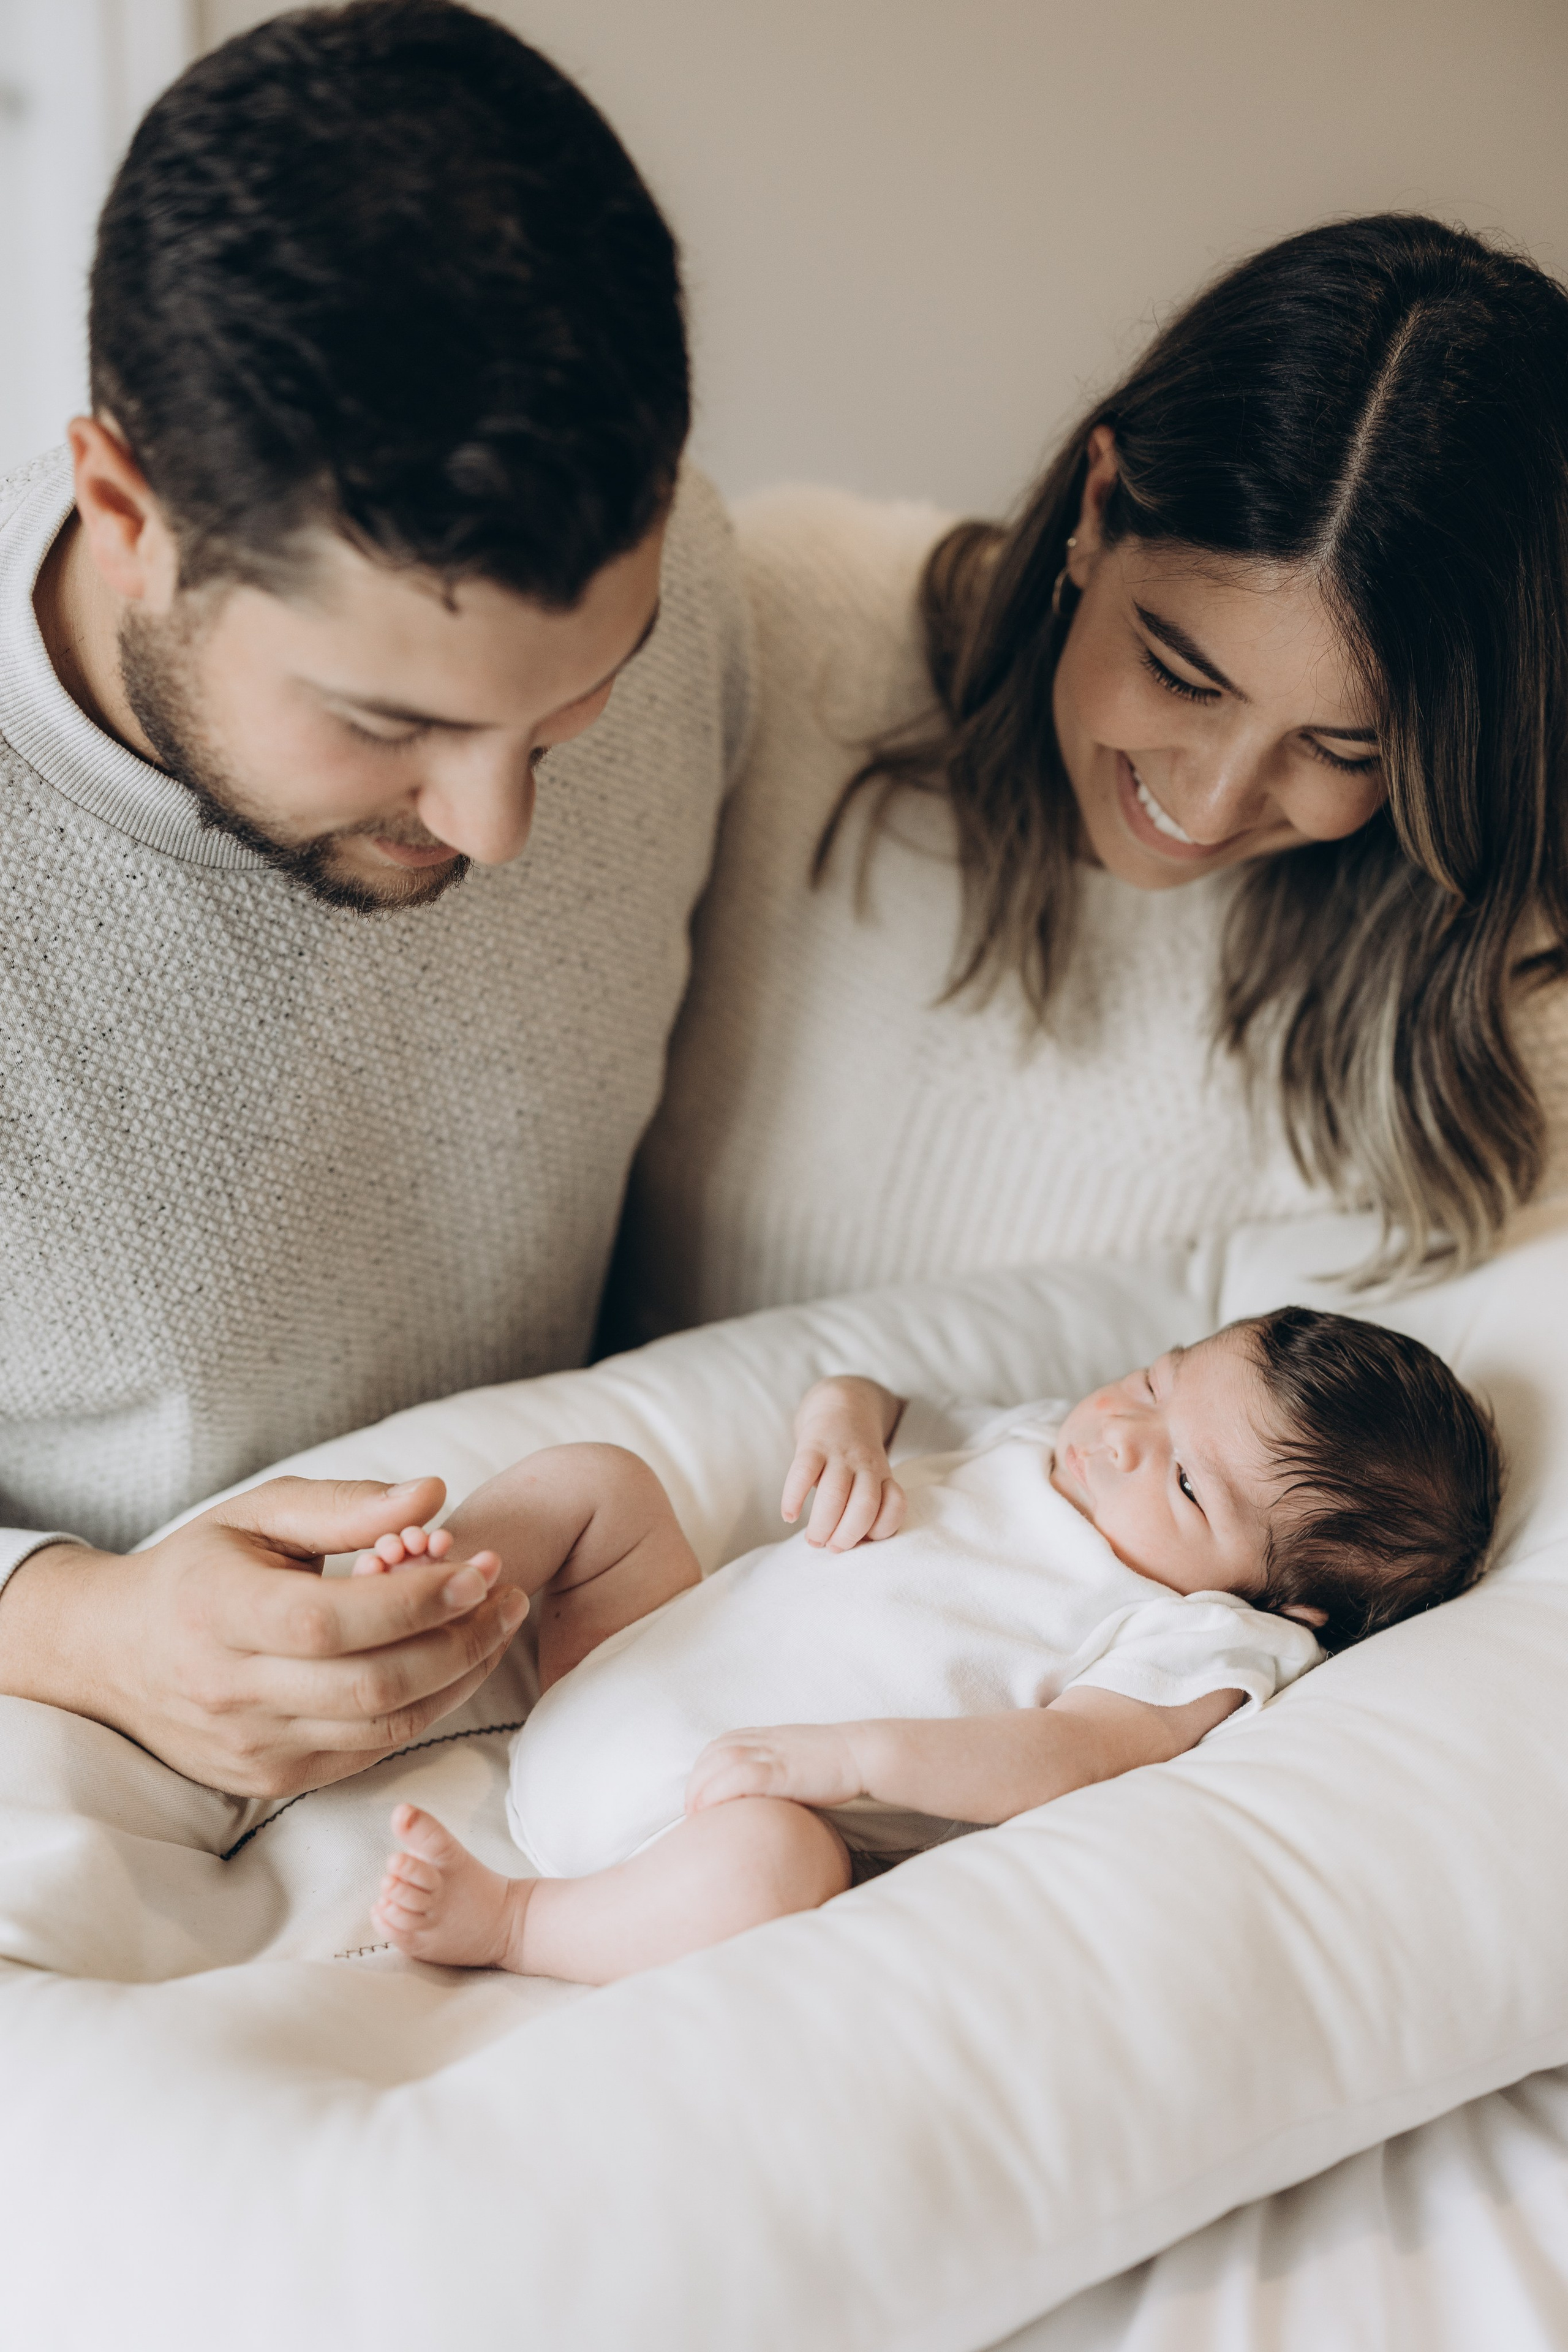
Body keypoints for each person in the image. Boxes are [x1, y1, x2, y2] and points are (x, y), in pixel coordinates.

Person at [0, 0, 753, 1798]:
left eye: (573, 706)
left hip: (586, 1665)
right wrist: (82, 1628)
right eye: (390, 724)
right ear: (131, 510)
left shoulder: (695, 574)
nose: (497, 827)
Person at [613, 214, 1568, 1346]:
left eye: (1343, 750)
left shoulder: (1508, 1016)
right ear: (1097, 506)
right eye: (1180, 675)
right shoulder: (787, 620)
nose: (1210, 808)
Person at [367, 1307, 1501, 1983]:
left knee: (782, 1867)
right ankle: (414, 1594)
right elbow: (873, 1392)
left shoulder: (1198, 1635)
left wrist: (852, 1762)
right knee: (600, 1484)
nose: (1116, 1438)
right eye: (1154, 1380)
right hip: (627, 1667)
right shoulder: (1038, 1443)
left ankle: (515, 1923)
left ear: (1289, 1607)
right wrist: (842, 1433)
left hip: (689, 1829)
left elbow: (1074, 1754)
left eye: (1187, 1480)